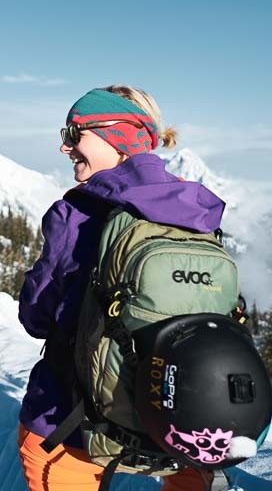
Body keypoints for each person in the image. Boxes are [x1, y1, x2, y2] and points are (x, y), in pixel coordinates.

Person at [17, 86, 225, 491]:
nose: (64, 148)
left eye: (74, 134)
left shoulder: (74, 212)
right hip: (183, 421)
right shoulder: (197, 209)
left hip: (71, 423)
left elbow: (37, 317)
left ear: (118, 135)